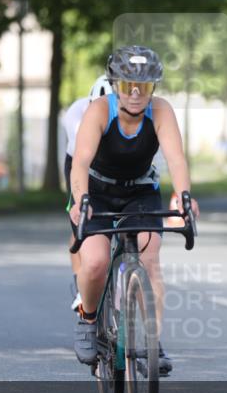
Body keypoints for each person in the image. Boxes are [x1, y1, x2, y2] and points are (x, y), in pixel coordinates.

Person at [69, 45, 200, 374]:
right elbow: (80, 162)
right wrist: (80, 200)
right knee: (96, 261)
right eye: (128, 84)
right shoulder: (100, 110)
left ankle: (152, 342)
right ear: (115, 84)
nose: (136, 92)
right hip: (97, 192)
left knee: (149, 259)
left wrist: (183, 197)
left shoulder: (162, 111)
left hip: (140, 191)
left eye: (145, 84)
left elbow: (176, 159)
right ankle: (87, 319)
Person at [62, 75, 113, 310]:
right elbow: (82, 160)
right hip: (80, 161)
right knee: (81, 216)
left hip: (113, 165)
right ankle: (78, 278)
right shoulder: (76, 113)